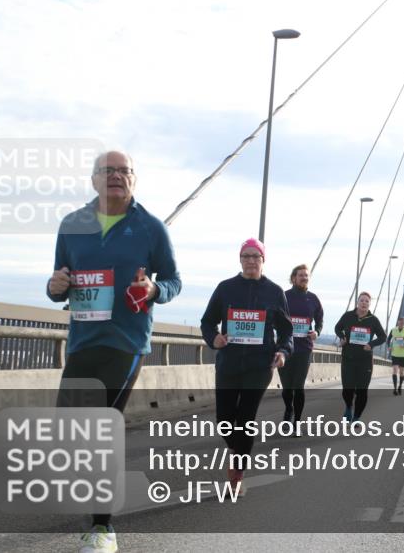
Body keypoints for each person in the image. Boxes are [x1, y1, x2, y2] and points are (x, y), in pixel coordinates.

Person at [47, 150, 181, 553]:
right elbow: (59, 282)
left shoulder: (151, 227)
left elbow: (174, 280)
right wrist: (54, 287)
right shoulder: (72, 225)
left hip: (126, 343)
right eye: (108, 171)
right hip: (83, 342)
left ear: (134, 180)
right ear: (93, 180)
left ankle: (103, 528)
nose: (116, 176)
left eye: (124, 171)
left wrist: (156, 289)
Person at [200, 239, 292, 495]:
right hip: (228, 363)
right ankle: (238, 450)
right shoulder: (225, 288)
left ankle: (237, 474)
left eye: (256, 256)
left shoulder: (275, 292)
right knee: (224, 421)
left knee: (246, 418)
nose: (251, 260)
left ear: (263, 260)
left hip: (259, 365)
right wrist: (214, 338)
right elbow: (207, 322)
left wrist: (283, 352)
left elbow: (286, 332)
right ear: (240, 259)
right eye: (246, 256)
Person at [280, 264, 323, 428]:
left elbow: (319, 320)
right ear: (293, 278)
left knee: (298, 386)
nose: (304, 278)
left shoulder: (313, 299)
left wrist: (317, 332)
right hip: (285, 347)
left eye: (306, 275)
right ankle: (288, 409)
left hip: (304, 348)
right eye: (301, 275)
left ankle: (297, 421)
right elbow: (275, 317)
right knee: (286, 388)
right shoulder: (284, 296)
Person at [334, 292, 386, 421]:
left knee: (362, 391)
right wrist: (342, 337)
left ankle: (356, 417)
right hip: (348, 358)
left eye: (367, 301)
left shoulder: (373, 320)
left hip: (365, 361)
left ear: (369, 304)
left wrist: (371, 344)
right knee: (347, 390)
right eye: (362, 300)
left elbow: (383, 337)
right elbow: (337, 328)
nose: (364, 303)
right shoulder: (348, 316)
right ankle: (348, 406)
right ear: (357, 302)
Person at [386, 316, 404, 394]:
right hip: (395, 354)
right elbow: (388, 339)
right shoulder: (393, 330)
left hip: (403, 355)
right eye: (400, 322)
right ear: (398, 322)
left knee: (401, 372)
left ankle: (400, 386)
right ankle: (395, 389)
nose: (402, 324)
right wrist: (389, 347)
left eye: (403, 323)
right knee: (394, 370)